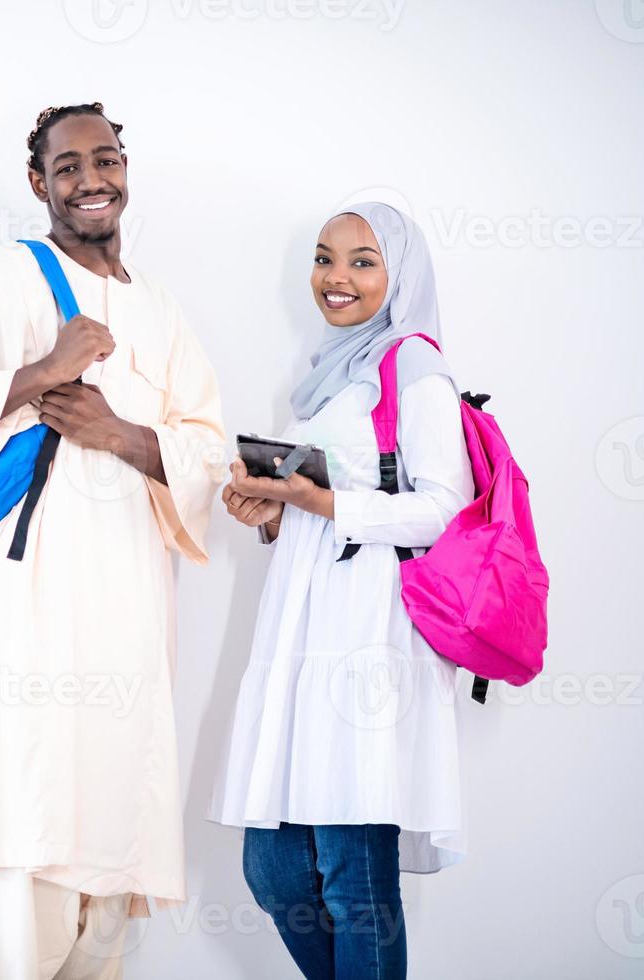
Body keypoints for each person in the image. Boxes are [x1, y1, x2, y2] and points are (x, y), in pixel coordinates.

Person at [0, 103, 226, 979]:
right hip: (36, 603)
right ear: (39, 183)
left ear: (126, 169)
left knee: (109, 866)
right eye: (68, 166)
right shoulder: (6, 277)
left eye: (105, 159)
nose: (91, 179)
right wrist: (44, 369)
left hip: (135, 613)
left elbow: (209, 447)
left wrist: (121, 433)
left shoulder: (160, 305)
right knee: (24, 835)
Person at [208, 203, 474, 979]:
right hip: (302, 639)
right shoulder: (331, 376)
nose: (336, 278)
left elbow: (444, 508)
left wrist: (320, 503)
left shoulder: (413, 366)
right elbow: (332, 502)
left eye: (363, 261)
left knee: (354, 882)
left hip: (368, 648)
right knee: (278, 874)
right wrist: (270, 512)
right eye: (325, 259)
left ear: (401, 274)